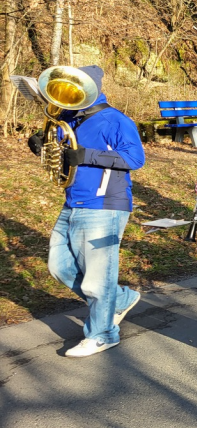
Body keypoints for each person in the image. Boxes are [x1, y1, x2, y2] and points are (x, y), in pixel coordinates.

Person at [29, 65, 145, 358]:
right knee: (59, 266)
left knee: (96, 279)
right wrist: (40, 146)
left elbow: (135, 158)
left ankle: (103, 334)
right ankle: (118, 298)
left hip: (105, 205)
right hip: (73, 202)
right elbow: (59, 153)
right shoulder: (68, 118)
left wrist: (88, 156)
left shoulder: (115, 120)